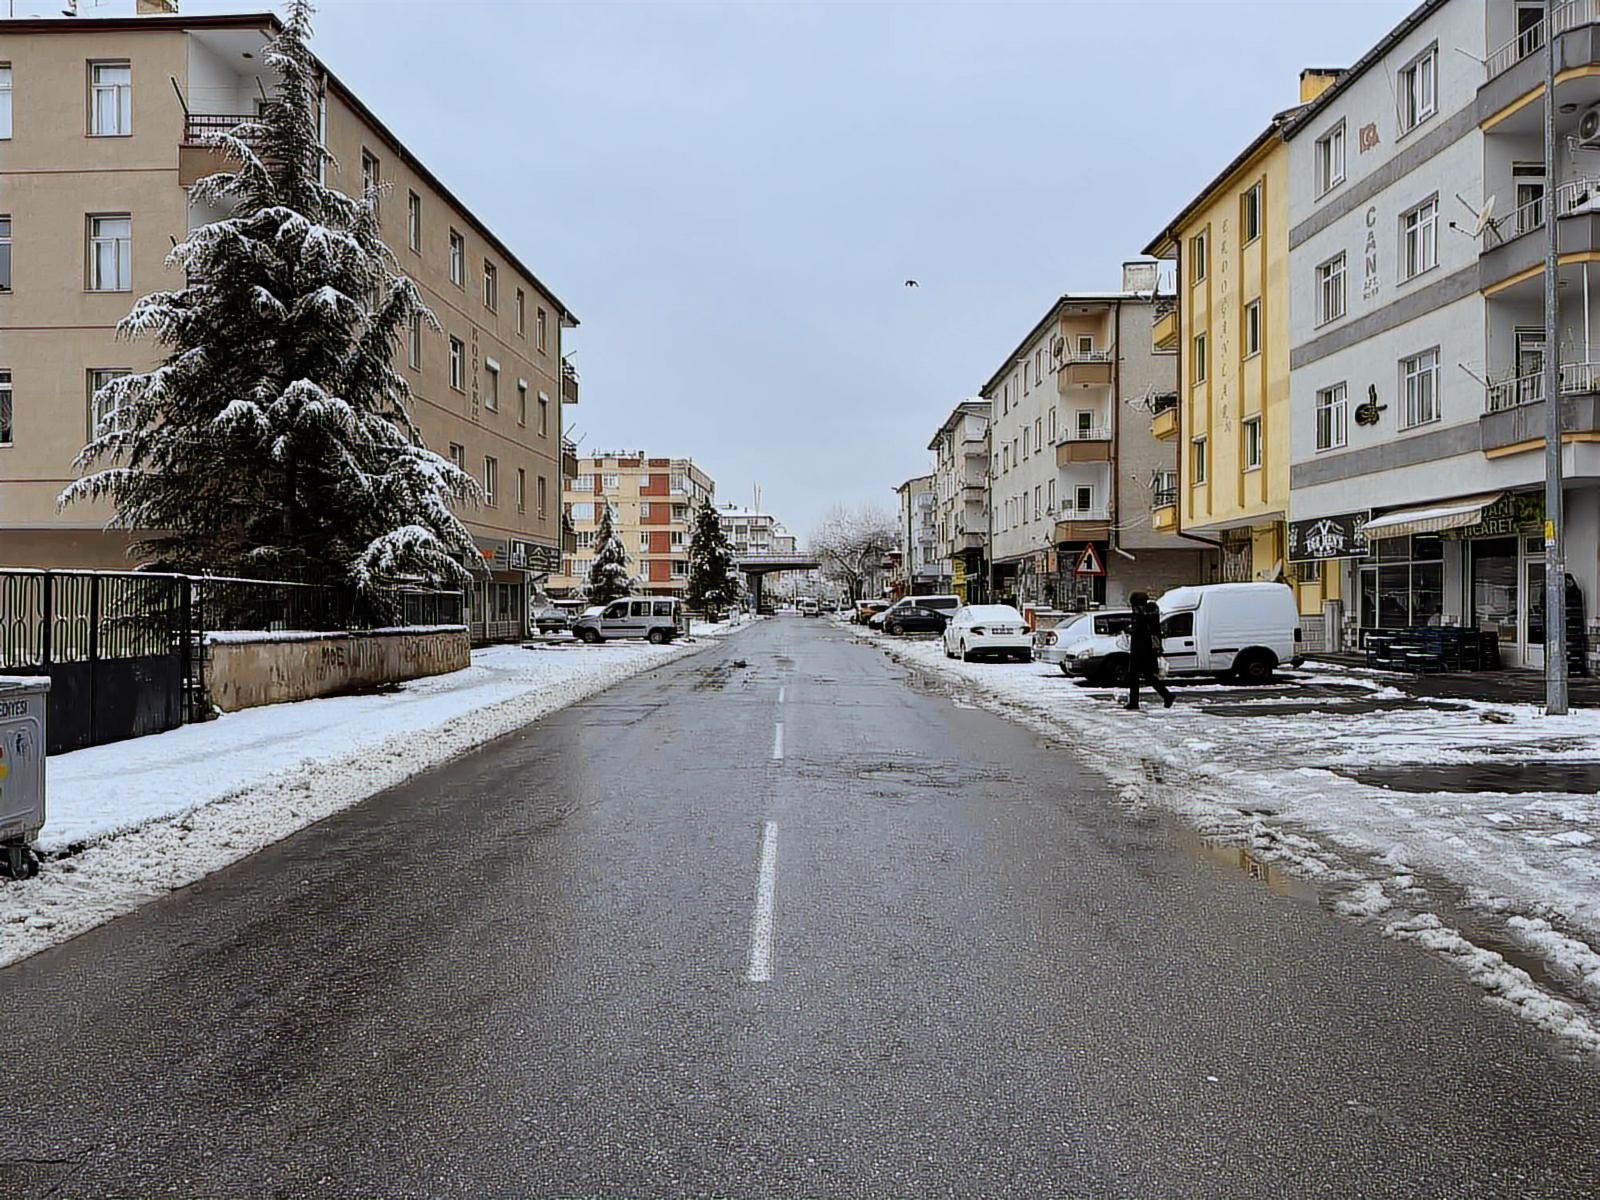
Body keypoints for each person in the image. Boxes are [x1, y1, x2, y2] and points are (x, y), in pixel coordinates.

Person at [1124, 592, 1173, 711]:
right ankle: (1167, 695)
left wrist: (1127, 628)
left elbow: (1136, 629)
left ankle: (1134, 702)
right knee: (1148, 676)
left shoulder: (1139, 613)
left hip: (1140, 648)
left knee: (1134, 675)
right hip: (1149, 649)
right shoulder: (1152, 612)